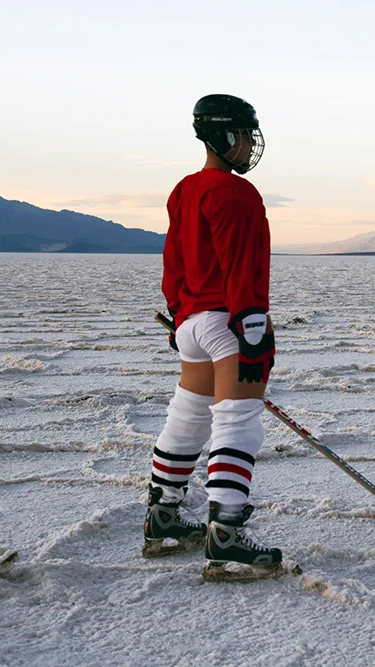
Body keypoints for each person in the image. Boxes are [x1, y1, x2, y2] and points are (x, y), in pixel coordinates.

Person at [143, 94, 281, 578]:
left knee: (187, 418)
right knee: (238, 421)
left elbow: (173, 260)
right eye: (245, 135)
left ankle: (162, 517)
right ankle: (226, 534)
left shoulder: (185, 190)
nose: (250, 145)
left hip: (192, 323)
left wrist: (180, 315)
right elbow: (243, 269)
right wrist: (253, 327)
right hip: (228, 324)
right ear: (224, 136)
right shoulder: (238, 195)